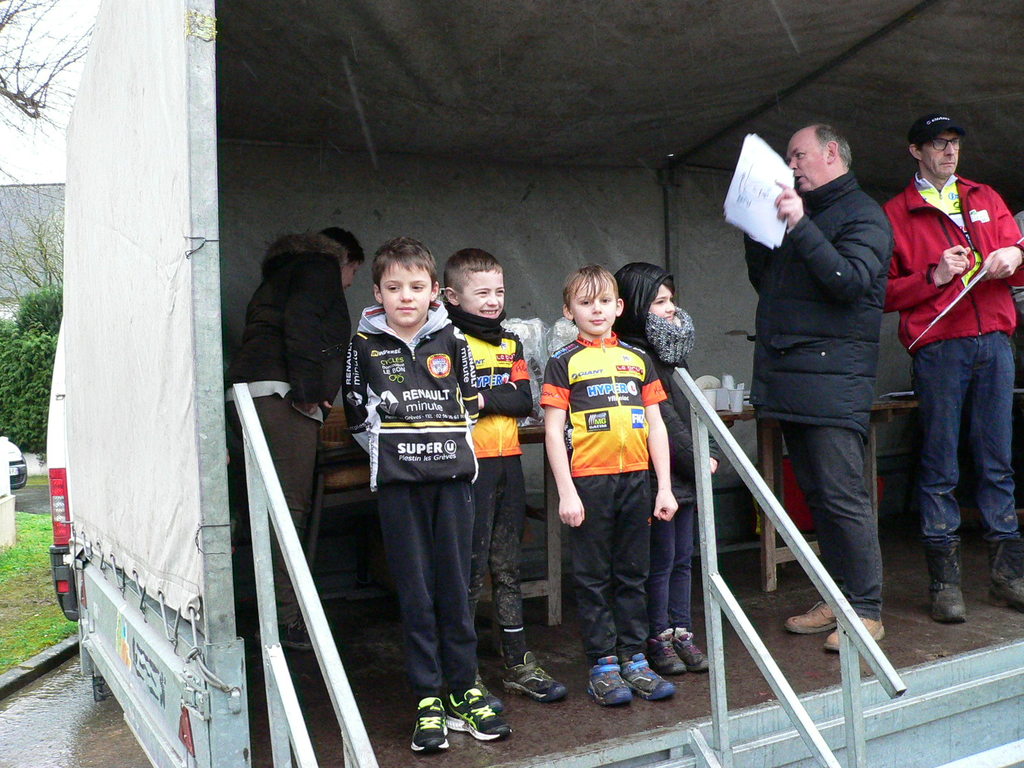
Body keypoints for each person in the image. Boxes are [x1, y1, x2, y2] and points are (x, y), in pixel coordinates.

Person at [344, 237, 510, 753]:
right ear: (377, 292)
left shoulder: (453, 339)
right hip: (399, 489)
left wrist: (442, 450)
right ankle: (427, 698)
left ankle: (463, 690)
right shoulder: (363, 344)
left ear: (435, 291)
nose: (406, 297)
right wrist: (396, 453)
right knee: (416, 594)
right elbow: (355, 413)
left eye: (416, 287)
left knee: (456, 588)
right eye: (394, 288)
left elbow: (469, 404)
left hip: (453, 484)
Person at [744, 124, 892, 652]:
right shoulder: (804, 213)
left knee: (842, 495)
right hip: (794, 377)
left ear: (832, 152)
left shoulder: (864, 215)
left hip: (834, 380)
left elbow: (848, 281)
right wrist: (756, 227)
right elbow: (769, 282)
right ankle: (838, 596)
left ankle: (866, 610)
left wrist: (800, 224)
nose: (791, 166)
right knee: (818, 497)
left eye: (798, 155)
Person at [883, 113, 1024, 623]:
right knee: (940, 463)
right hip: (940, 347)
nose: (949, 151)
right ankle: (945, 585)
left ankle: (1008, 577)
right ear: (915, 151)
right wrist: (934, 274)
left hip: (996, 342)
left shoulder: (984, 195)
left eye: (955, 143)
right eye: (938, 143)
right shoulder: (895, 213)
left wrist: (1013, 256)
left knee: (997, 461)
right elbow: (880, 293)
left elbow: (1019, 253)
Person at [540, 264, 678, 705]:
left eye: (604, 301)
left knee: (633, 573)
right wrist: (567, 492)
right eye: (585, 303)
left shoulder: (638, 359)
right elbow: (552, 432)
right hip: (589, 483)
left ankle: (634, 659)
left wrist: (664, 487)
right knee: (593, 577)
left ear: (619, 307)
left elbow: (657, 425)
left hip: (637, 480)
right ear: (569, 311)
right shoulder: (563, 362)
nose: (596, 310)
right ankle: (603, 664)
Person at [226, 227, 362, 651]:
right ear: (346, 260)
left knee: (264, 509)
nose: (349, 284)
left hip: (248, 396)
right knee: (288, 511)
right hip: (281, 397)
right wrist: (308, 394)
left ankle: (273, 615)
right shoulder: (319, 268)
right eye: (353, 274)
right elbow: (303, 324)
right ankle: (287, 621)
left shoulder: (280, 276)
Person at [443, 248, 568, 708]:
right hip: (466, 469)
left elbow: (523, 401)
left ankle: (518, 663)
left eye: (499, 291)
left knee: (508, 567)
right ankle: (465, 672)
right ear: (451, 296)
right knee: (469, 572)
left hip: (508, 463)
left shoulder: (510, 342)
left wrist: (480, 399)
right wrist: (495, 395)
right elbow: (452, 401)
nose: (494, 301)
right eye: (482, 293)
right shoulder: (443, 342)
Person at [614, 262, 720, 676]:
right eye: (660, 301)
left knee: (682, 559)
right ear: (636, 306)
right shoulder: (635, 357)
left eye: (671, 299)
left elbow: (696, 411)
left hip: (686, 478)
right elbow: (667, 423)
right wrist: (700, 460)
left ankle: (681, 631)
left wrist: (710, 451)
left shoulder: (673, 355)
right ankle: (658, 635)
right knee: (659, 562)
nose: (671, 308)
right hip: (657, 479)